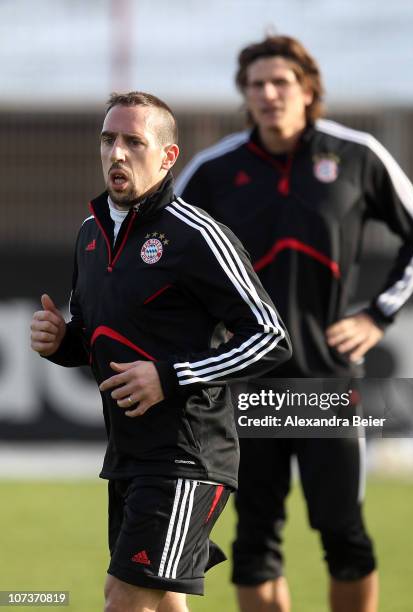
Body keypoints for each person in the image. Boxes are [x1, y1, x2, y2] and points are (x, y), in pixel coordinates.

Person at [176, 36, 413, 612]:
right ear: (244, 94)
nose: (269, 94)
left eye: (282, 83)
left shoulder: (357, 154)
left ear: (308, 90)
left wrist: (377, 313)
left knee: (344, 536)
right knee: (253, 543)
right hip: (247, 384)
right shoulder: (215, 170)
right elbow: (167, 252)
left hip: (326, 382)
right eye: (256, 85)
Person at [30, 91, 291, 612]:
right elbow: (98, 338)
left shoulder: (198, 235)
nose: (117, 153)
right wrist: (63, 343)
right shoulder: (90, 234)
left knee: (124, 598)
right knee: (162, 603)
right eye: (108, 140)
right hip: (128, 453)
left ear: (168, 156)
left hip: (187, 455)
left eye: (133, 141)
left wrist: (168, 377)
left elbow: (270, 336)